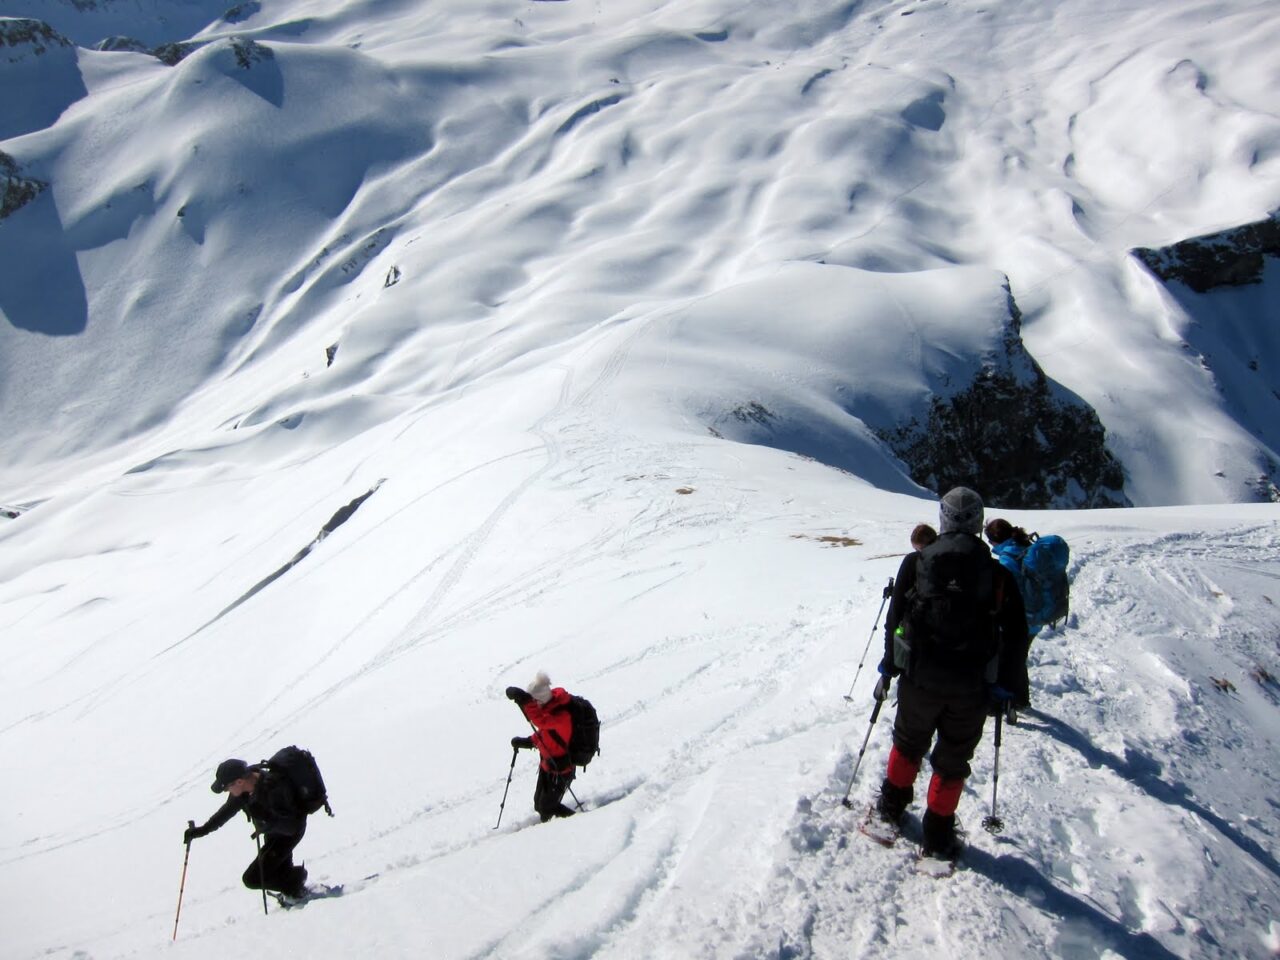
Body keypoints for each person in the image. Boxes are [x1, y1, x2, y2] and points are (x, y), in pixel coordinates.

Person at [870, 487, 1031, 858]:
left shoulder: (917, 562)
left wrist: (890, 666)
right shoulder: (997, 574)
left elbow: (896, 620)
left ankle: (891, 807)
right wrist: (1008, 687)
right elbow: (1017, 635)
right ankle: (938, 833)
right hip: (972, 686)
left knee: (908, 743)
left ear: (942, 518)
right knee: (954, 757)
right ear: (978, 522)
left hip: (919, 678)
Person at [183, 758, 310, 900]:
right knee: (277, 869)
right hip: (272, 833)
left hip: (288, 834)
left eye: (226, 788)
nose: (227, 791)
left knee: (253, 879)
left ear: (239, 782)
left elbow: (291, 827)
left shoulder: (273, 788)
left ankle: (296, 884)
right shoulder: (243, 792)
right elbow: (225, 812)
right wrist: (202, 830)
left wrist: (266, 818)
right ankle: (293, 887)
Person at [505, 672, 577, 823]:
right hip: (547, 766)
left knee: (546, 807)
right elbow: (545, 736)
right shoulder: (548, 712)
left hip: (561, 769)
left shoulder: (560, 715)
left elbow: (541, 722)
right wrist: (526, 742)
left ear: (540, 700)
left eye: (533, 702)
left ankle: (575, 822)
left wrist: (526, 701)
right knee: (539, 804)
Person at [985, 518, 1041, 640]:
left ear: (995, 541)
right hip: (1037, 614)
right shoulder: (1026, 545)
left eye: (990, 540)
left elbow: (1007, 590)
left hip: (1022, 618)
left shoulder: (1007, 557)